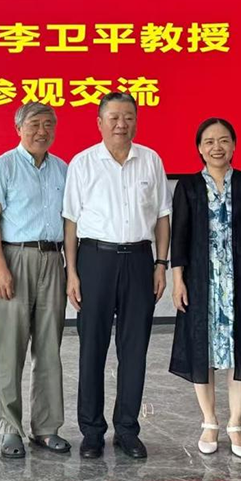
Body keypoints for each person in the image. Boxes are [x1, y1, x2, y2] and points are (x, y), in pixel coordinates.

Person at [62, 92, 172, 459]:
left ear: (136, 121)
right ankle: (92, 431)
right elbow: (71, 222)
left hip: (140, 260)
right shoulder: (83, 163)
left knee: (134, 349)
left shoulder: (151, 160)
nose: (121, 124)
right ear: (100, 122)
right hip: (95, 260)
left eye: (128, 117)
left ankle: (127, 429)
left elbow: (162, 217)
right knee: (92, 348)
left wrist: (161, 264)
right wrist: (72, 272)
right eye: (113, 117)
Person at [169, 118, 241, 458]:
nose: (217, 147)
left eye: (224, 140)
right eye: (209, 141)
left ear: (234, 145)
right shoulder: (187, 186)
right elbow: (179, 239)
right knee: (203, 349)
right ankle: (209, 421)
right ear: (199, 148)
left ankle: (236, 425)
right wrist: (178, 280)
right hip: (201, 283)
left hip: (240, 282)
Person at [0, 102, 70, 459]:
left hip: (53, 259)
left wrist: (71, 269)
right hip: (14, 258)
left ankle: (46, 428)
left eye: (48, 124)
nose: (41, 131)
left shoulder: (62, 168)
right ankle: (10, 429)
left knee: (49, 348)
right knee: (11, 348)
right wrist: (0, 267)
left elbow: (70, 222)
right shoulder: (2, 166)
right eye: (34, 124)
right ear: (18, 128)